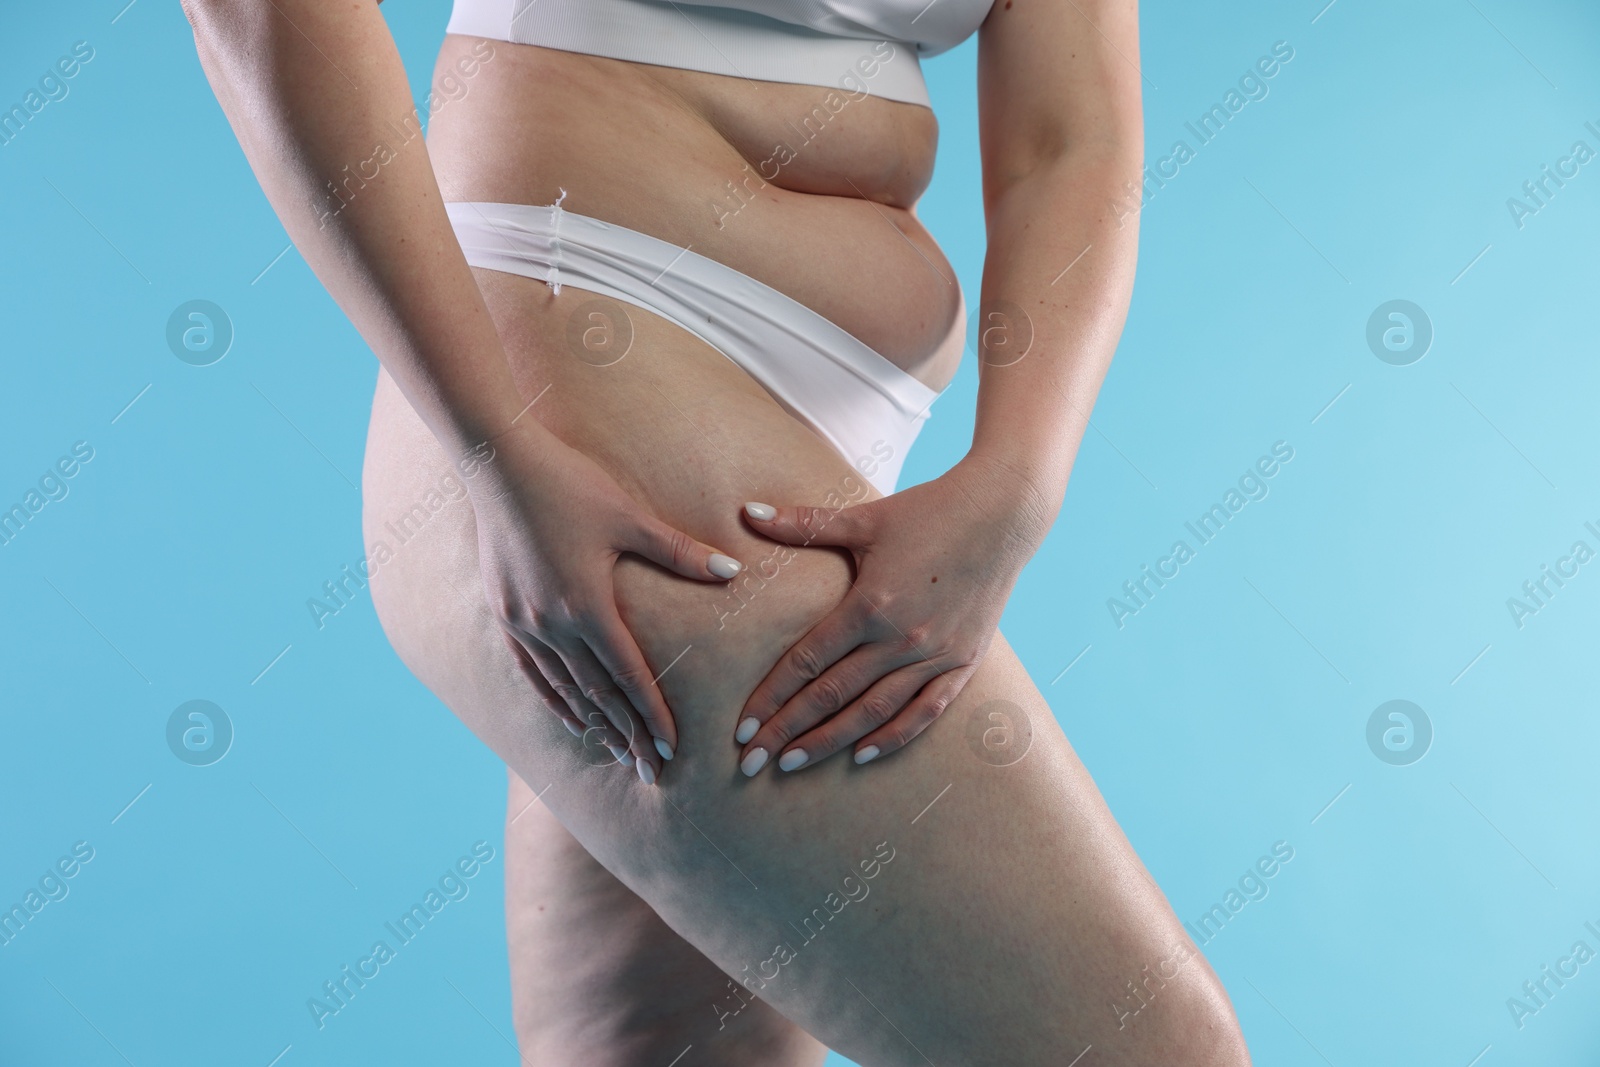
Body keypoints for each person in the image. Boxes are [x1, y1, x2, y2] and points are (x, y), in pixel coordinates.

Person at [182, 0, 1252, 1061]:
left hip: (796, 442)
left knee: (666, 1048)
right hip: (591, 383)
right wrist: (491, 443)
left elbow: (1067, 141)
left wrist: (1020, 477)